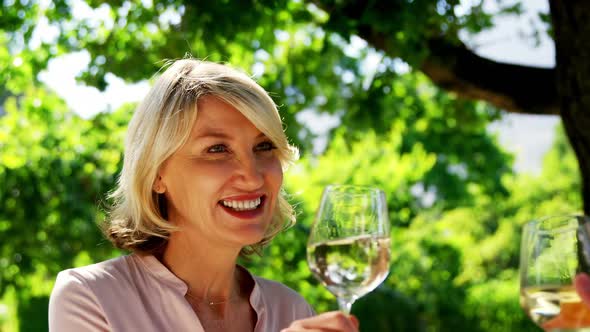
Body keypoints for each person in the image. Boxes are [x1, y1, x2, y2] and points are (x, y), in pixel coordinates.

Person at [48, 59, 359, 332]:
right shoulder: (91, 298)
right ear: (156, 173)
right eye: (217, 149)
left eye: (263, 147)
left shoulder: (291, 309)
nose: (251, 176)